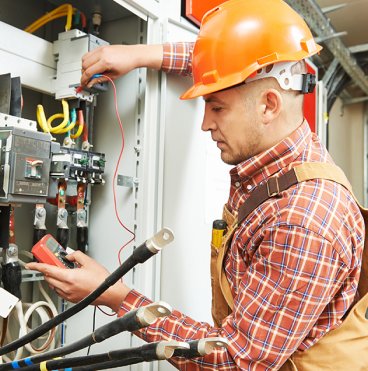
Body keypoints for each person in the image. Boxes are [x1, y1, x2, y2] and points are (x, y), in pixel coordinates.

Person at [27, 0, 368, 369]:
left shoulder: (302, 219)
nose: (205, 123)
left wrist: (117, 297)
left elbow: (234, 361)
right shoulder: (283, 147)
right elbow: (223, 61)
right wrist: (140, 53)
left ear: (269, 105)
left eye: (217, 107)